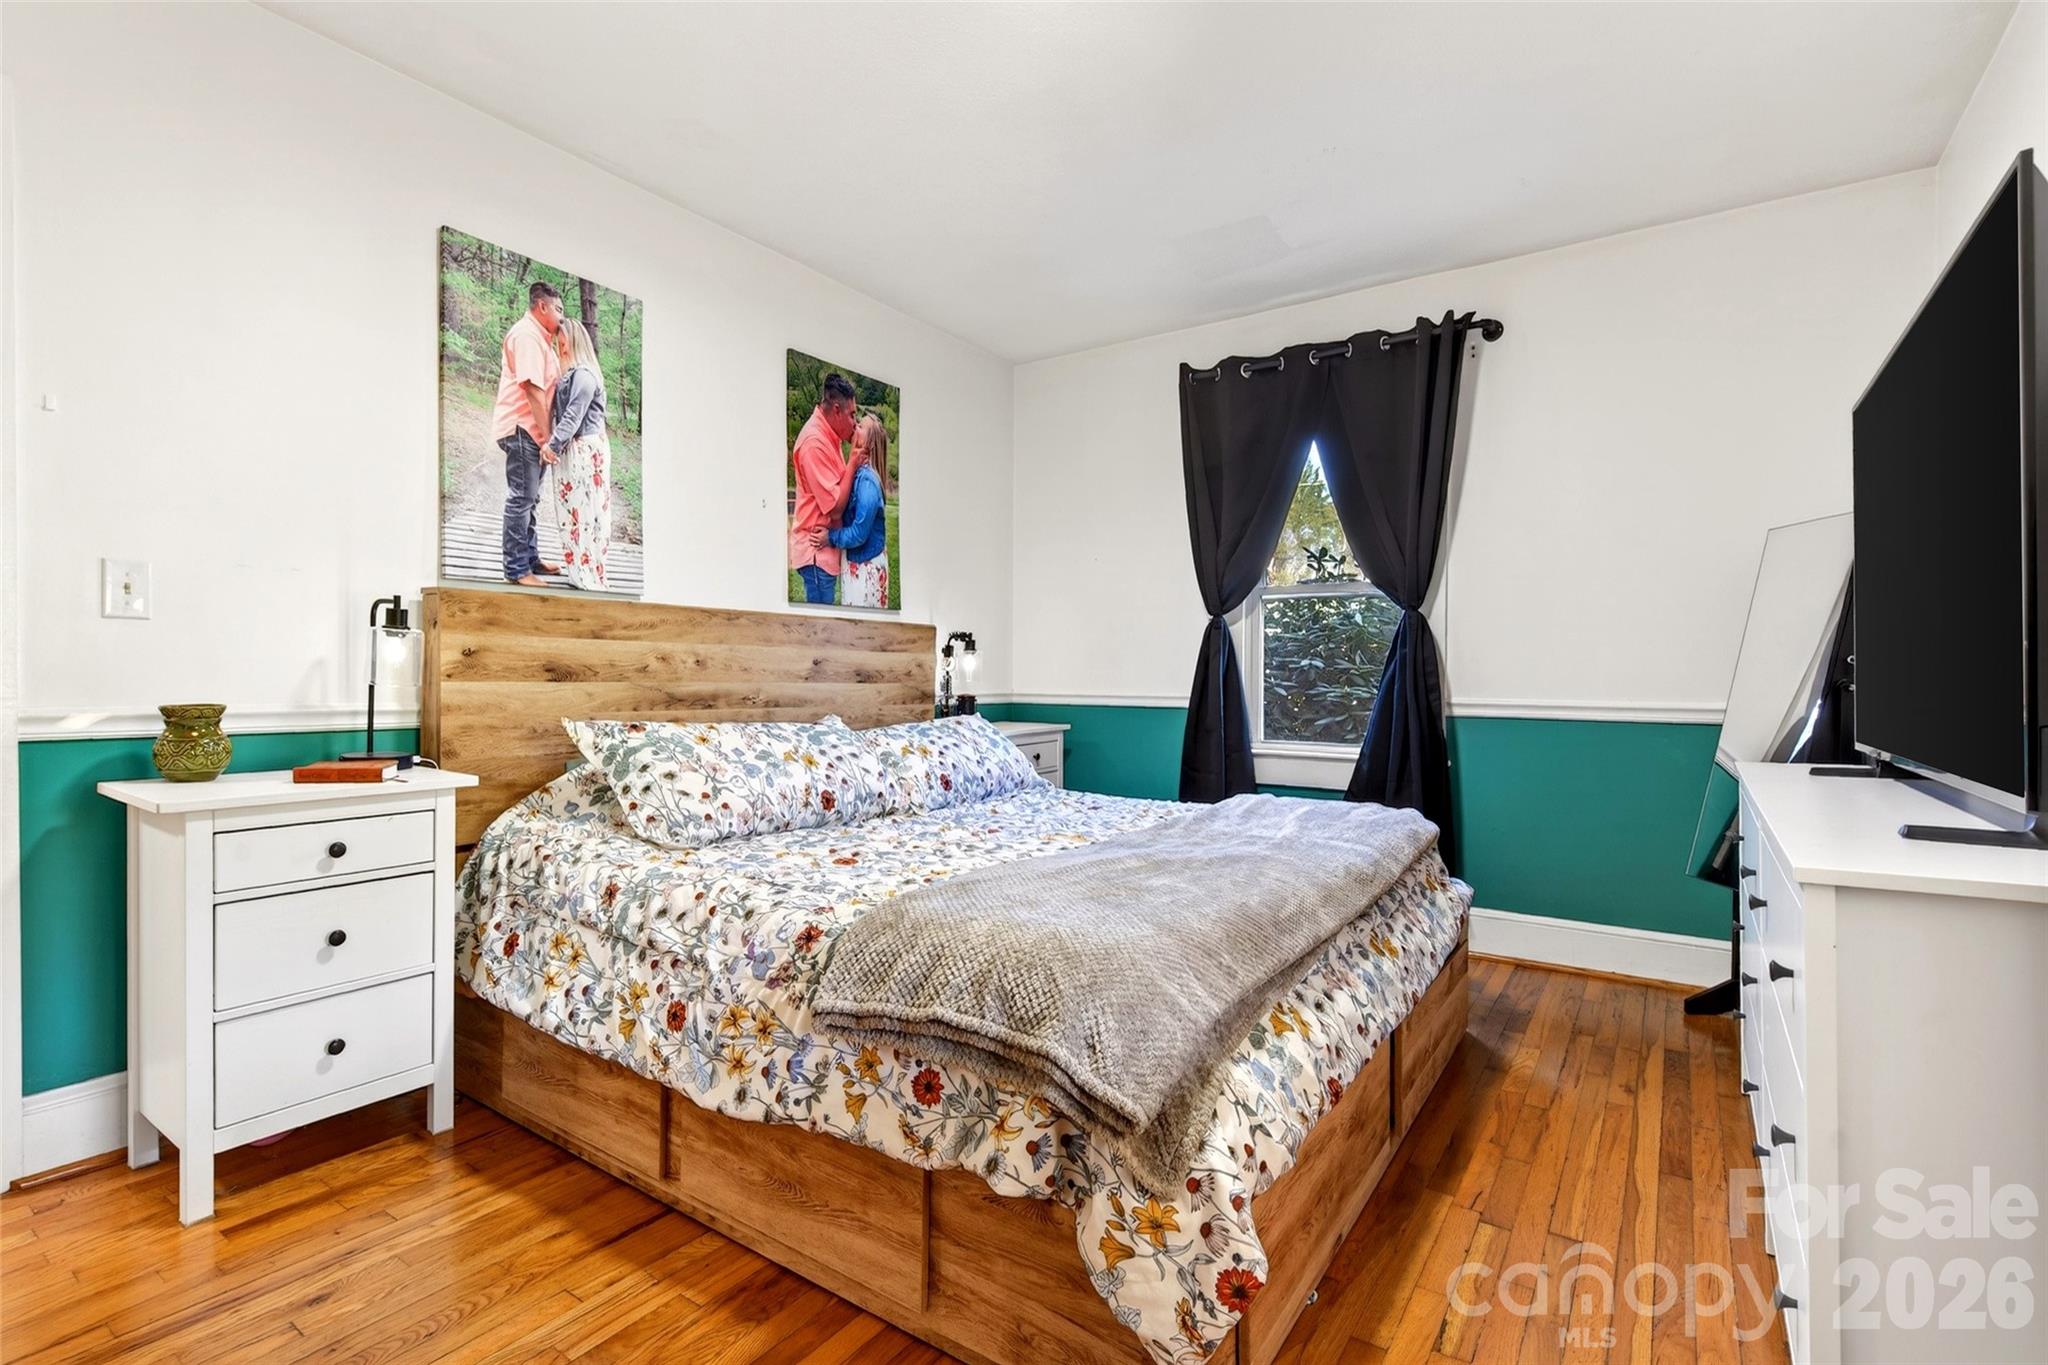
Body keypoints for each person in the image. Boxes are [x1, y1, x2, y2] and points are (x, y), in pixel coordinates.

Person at [493, 280, 565, 587]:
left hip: (533, 431)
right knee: (522, 498)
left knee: (531, 499)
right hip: (523, 428)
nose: (562, 317)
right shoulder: (526, 335)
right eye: (559, 309)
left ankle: (531, 559)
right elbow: (533, 389)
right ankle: (517, 569)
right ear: (542, 306)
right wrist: (548, 439)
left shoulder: (540, 338)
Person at [544, 319, 612, 592]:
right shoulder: (574, 373)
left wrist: (552, 445)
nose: (560, 347)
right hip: (577, 448)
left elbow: (573, 416)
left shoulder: (584, 374)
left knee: (585, 510)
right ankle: (579, 569)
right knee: (574, 510)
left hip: (585, 449)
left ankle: (588, 572)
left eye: (563, 342)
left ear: (574, 341)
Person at [788, 372, 864, 604]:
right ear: (837, 409)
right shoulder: (814, 443)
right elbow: (834, 509)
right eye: (852, 415)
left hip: (825, 553)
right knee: (820, 625)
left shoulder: (829, 435)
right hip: (816, 555)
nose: (855, 423)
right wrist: (854, 460)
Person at [815, 414, 890, 608]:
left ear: (869, 443)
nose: (855, 426)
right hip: (858, 564)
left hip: (866, 569)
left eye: (861, 426)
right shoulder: (858, 474)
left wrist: (830, 537)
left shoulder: (867, 482)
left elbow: (859, 533)